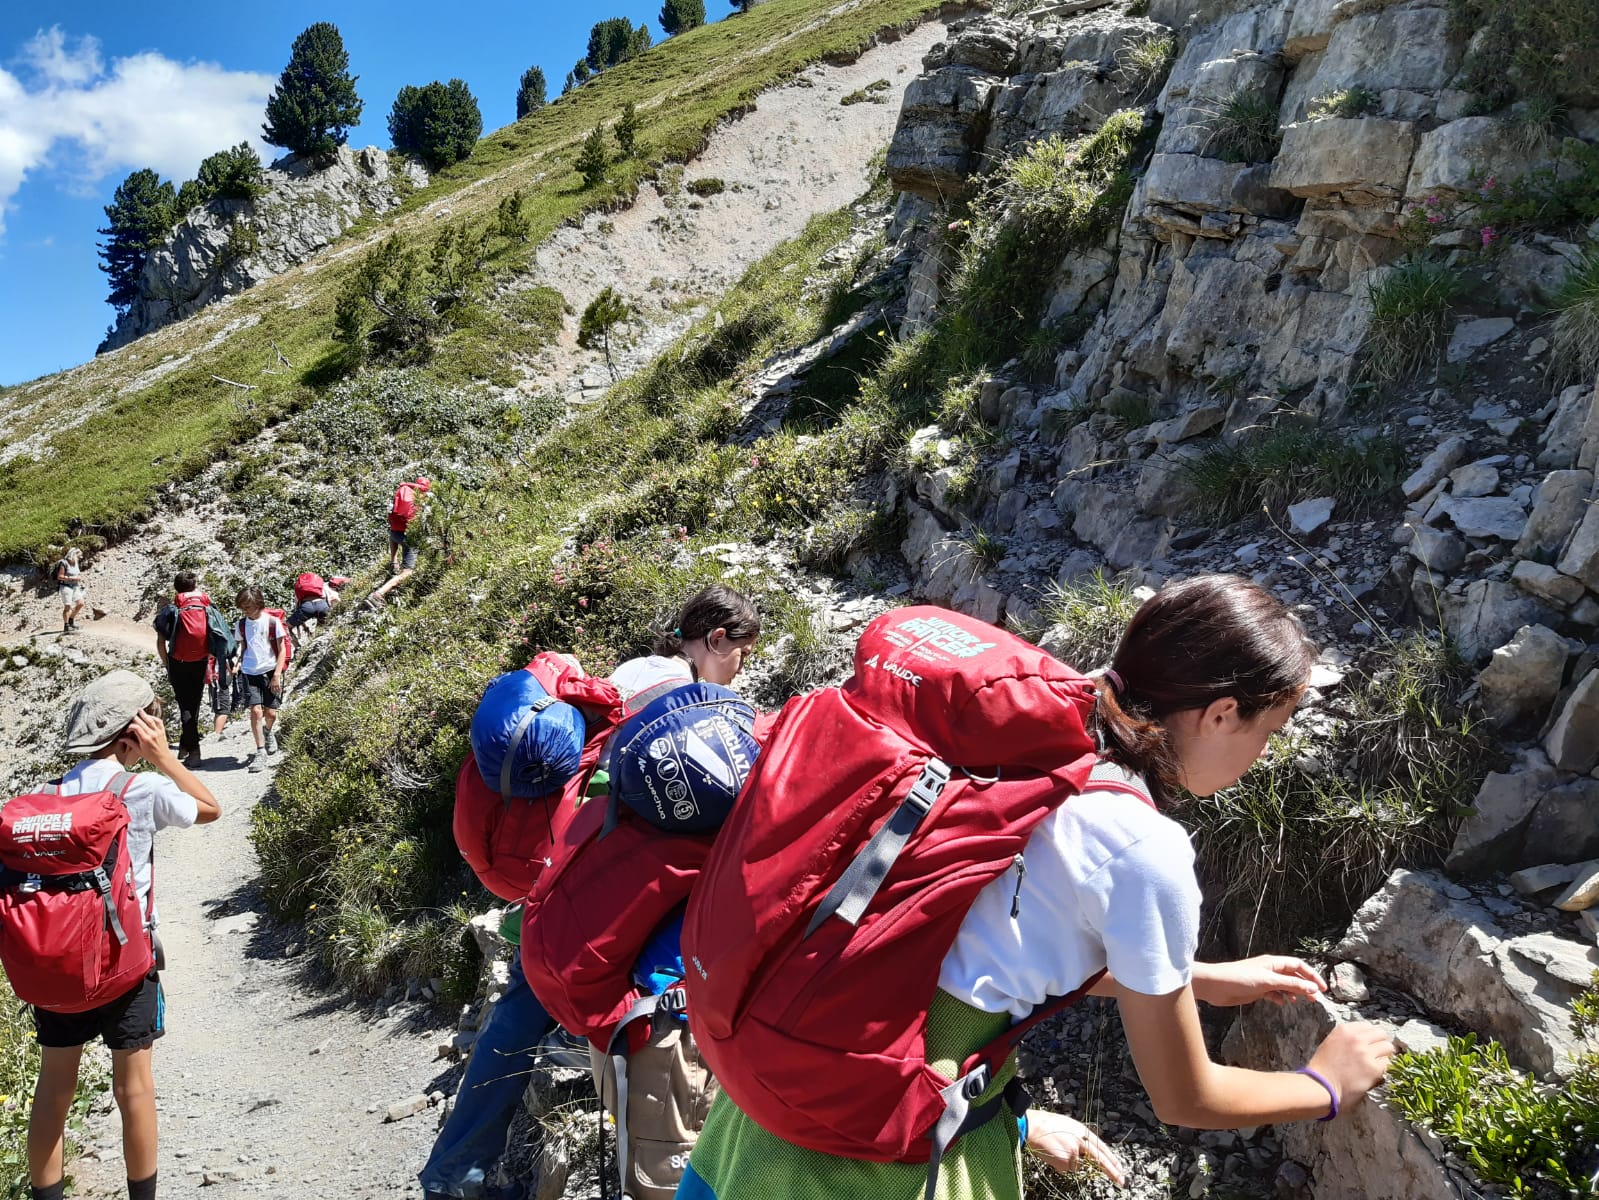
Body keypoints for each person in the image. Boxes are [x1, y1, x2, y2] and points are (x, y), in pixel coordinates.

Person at [676, 575, 1397, 1199]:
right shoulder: (1144, 848)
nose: (1262, 754)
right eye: (1268, 731)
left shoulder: (1029, 756)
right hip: (879, 1139)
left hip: (776, 1094)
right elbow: (1185, 1095)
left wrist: (1197, 981)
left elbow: (984, 946)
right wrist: (1324, 1086)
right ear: (1220, 713)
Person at [419, 585, 759, 1200]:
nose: (741, 669)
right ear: (716, 640)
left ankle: (456, 1170)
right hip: (603, 896)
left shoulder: (633, 674)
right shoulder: (674, 693)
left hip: (563, 877)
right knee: (552, 1003)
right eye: (742, 654)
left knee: (517, 1018)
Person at [25, 670, 221, 1200]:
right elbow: (209, 809)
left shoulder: (44, 796)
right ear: (134, 732)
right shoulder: (143, 788)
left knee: (54, 1086)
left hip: (56, 963)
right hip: (125, 962)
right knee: (133, 1088)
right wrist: (166, 757)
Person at [153, 572, 214, 768]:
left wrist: (167, 664)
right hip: (200, 661)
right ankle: (185, 744)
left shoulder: (171, 610)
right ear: (194, 587)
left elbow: (160, 642)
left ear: (176, 589)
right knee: (193, 704)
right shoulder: (205, 607)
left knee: (185, 706)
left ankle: (194, 751)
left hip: (178, 663)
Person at [234, 587, 289, 774]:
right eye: (242, 607)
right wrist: (237, 661)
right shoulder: (241, 624)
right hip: (249, 672)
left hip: (271, 671)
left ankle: (268, 731)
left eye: (248, 607)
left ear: (258, 604)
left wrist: (276, 675)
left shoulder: (273, 622)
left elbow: (282, 650)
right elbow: (243, 646)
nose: (245, 610)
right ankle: (260, 751)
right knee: (256, 711)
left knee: (271, 713)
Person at [367, 477, 430, 609]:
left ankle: (394, 563)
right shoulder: (423, 498)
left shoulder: (404, 491)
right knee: (407, 572)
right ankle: (378, 595)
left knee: (393, 534)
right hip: (408, 539)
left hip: (394, 534)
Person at [286, 572, 341, 648]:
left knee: (285, 627)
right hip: (322, 605)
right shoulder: (322, 586)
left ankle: (297, 647)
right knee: (323, 624)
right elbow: (331, 599)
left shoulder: (299, 589)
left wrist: (305, 628)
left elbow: (298, 608)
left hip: (307, 607)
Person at [55, 548, 86, 635]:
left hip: (75, 586)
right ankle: (66, 625)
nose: (80, 557)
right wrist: (72, 578)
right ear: (74, 554)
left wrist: (77, 578)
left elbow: (77, 573)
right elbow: (60, 576)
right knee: (67, 606)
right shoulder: (64, 563)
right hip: (65, 586)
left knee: (80, 603)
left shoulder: (76, 563)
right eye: (78, 556)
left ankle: (71, 620)